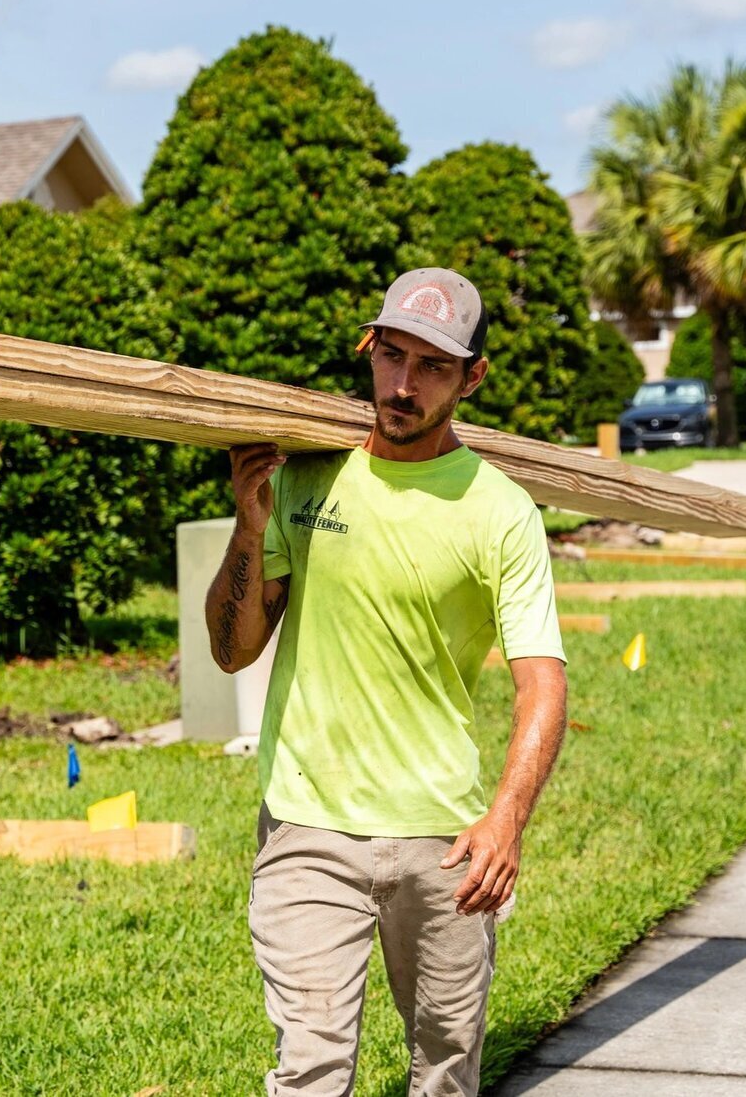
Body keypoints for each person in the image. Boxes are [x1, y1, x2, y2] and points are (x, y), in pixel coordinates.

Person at [206, 267, 569, 1096]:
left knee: (444, 1069)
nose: (404, 385)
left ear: (472, 377)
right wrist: (249, 527)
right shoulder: (307, 478)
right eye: (392, 355)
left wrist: (506, 820)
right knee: (310, 1067)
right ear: (368, 347)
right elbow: (233, 651)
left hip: (444, 837)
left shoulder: (502, 511)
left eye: (433, 366)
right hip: (307, 821)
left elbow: (542, 685)